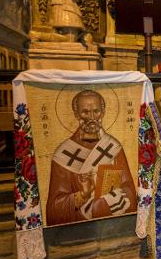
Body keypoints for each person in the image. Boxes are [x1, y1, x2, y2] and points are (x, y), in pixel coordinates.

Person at [47, 90, 137, 226]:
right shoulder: (64, 154)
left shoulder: (113, 148)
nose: (92, 117)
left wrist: (109, 200)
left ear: (103, 112)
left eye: (96, 111)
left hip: (113, 224)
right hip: (81, 230)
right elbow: (54, 210)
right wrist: (82, 195)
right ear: (76, 114)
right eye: (85, 112)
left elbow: (129, 188)